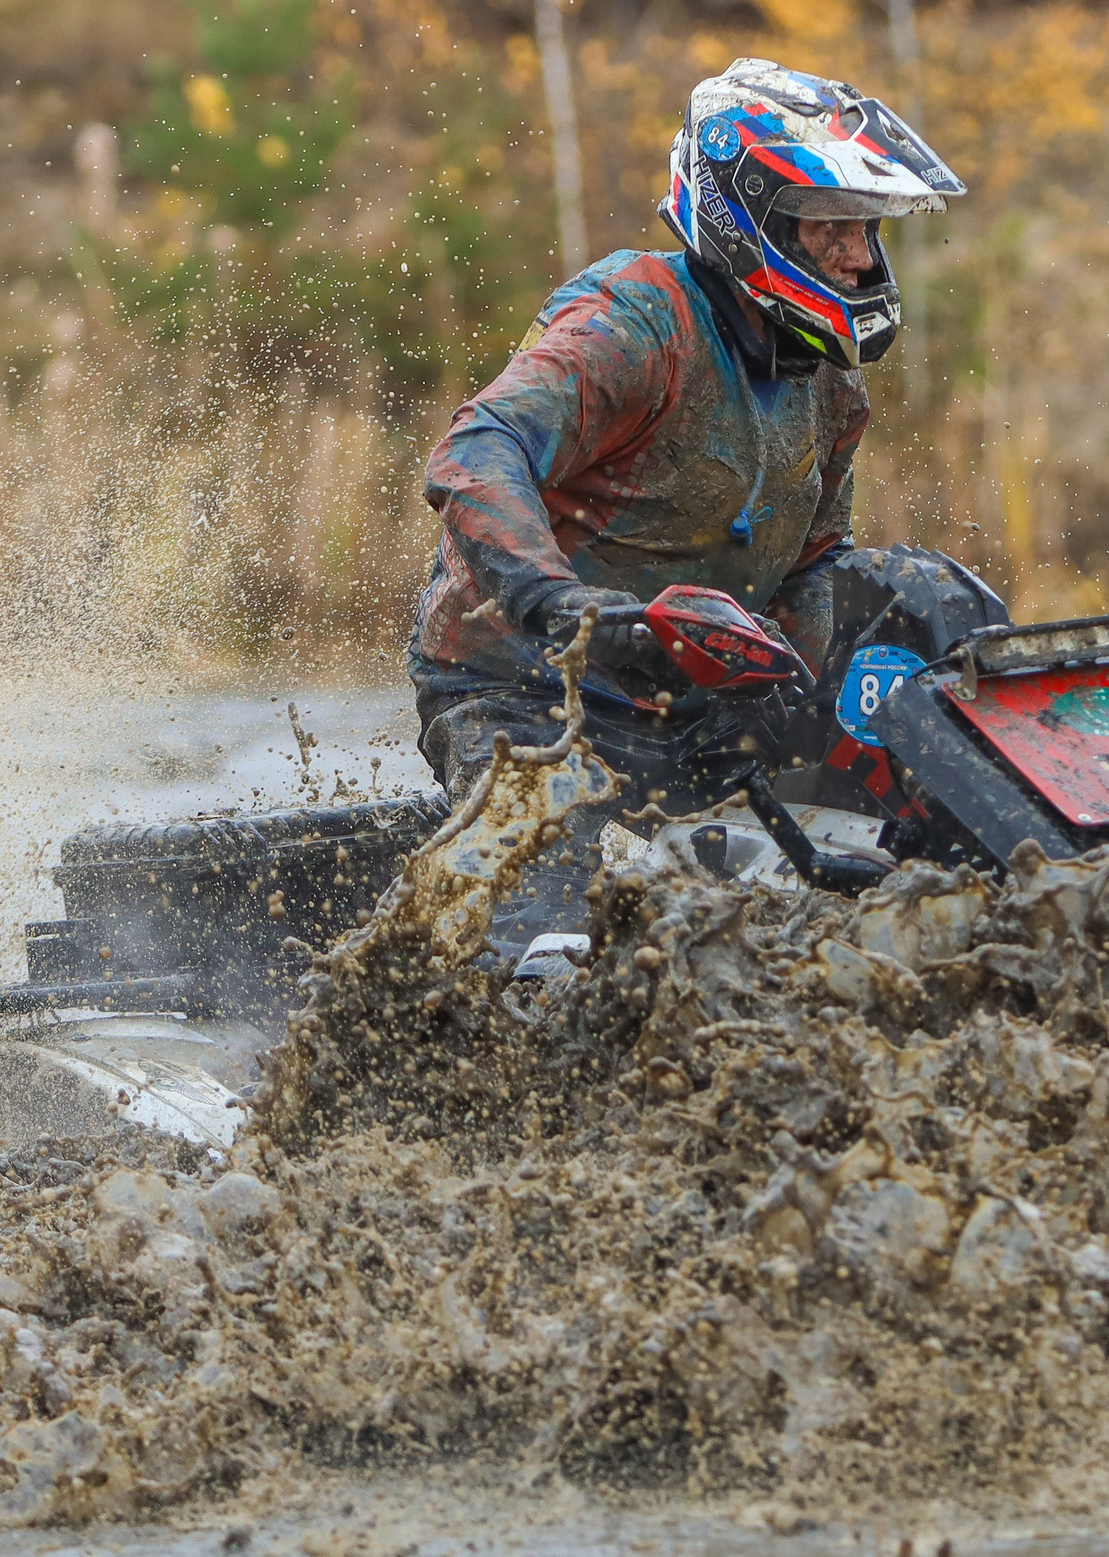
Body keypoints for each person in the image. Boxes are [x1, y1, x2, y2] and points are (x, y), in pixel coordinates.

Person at [403, 58, 963, 947]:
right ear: (756, 222)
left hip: (700, 704)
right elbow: (478, 450)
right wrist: (560, 607)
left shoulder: (831, 390)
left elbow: (811, 566)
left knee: (896, 861)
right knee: (540, 935)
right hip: (525, 690)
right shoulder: (636, 320)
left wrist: (847, 694)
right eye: (830, 228)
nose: (859, 255)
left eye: (865, 227)